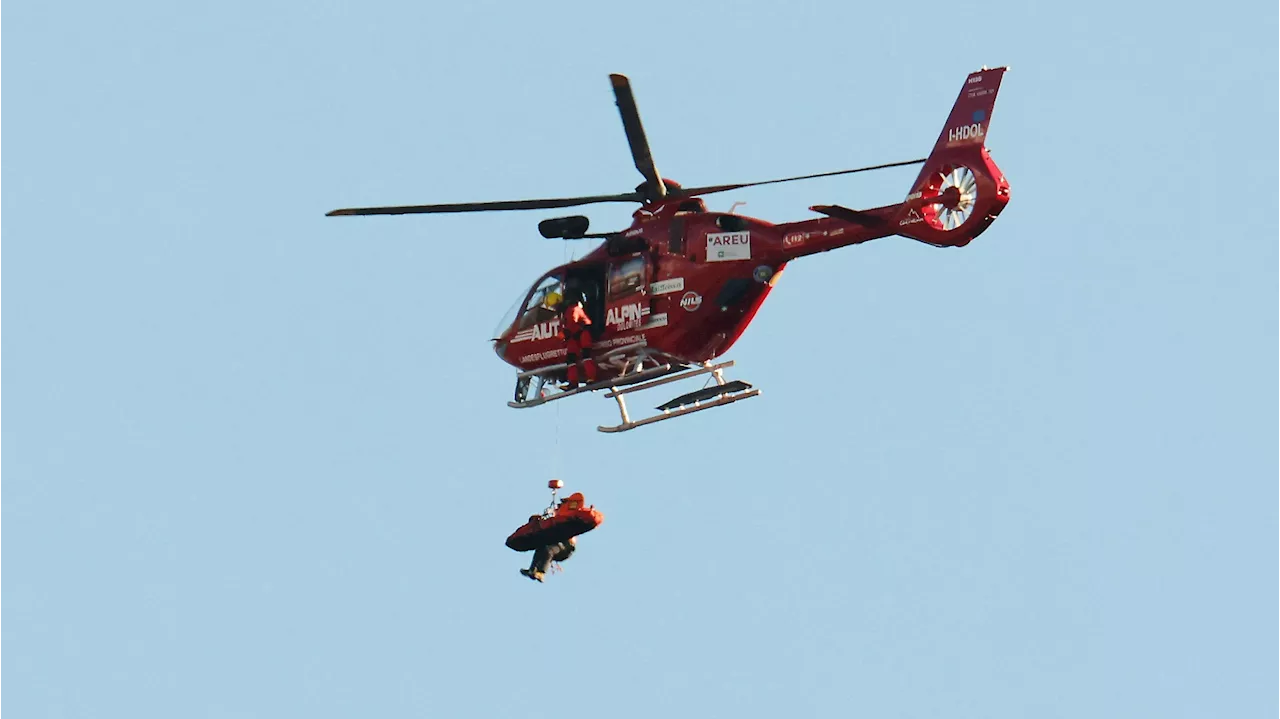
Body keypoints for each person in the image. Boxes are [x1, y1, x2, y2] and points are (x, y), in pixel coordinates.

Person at [556, 289, 598, 389]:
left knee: (586, 355)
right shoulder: (566, 312)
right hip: (574, 337)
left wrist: (564, 333)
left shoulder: (573, 309)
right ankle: (573, 382)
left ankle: (591, 378)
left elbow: (572, 323)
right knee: (571, 359)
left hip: (582, 334)